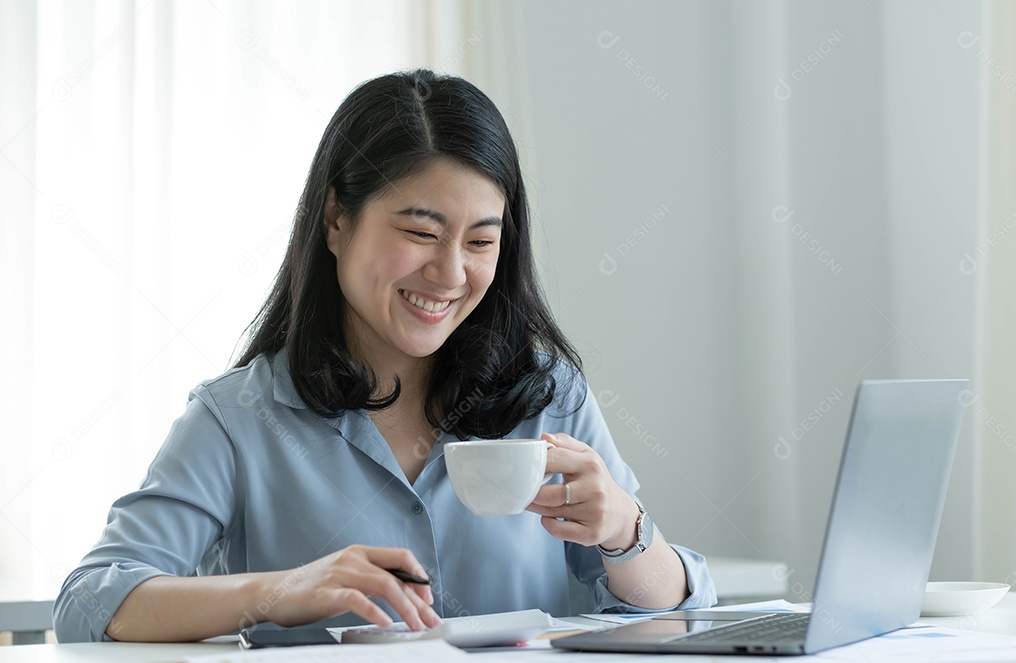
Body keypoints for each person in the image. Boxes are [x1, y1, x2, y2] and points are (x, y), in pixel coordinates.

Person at [52, 69, 717, 643]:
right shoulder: (240, 415)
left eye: (481, 241)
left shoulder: (547, 395)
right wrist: (278, 590)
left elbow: (676, 612)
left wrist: (627, 529)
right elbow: (90, 601)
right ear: (337, 220)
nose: (450, 272)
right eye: (420, 232)